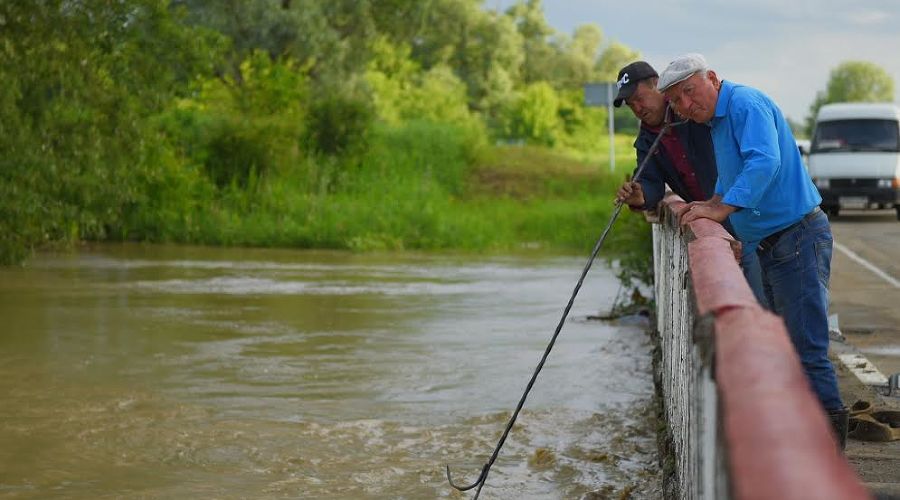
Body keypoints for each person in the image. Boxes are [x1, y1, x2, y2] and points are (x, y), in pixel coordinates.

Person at [658, 53, 849, 448]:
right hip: (773, 244)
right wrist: (712, 201)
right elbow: (733, 173)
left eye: (689, 91)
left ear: (712, 78)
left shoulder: (745, 103)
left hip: (797, 238)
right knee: (786, 348)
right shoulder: (717, 120)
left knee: (807, 349)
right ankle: (803, 440)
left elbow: (764, 162)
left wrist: (721, 209)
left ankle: (829, 454)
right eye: (676, 101)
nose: (685, 105)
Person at [611, 61, 766, 307]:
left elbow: (754, 159)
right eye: (631, 105)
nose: (638, 108)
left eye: (639, 98)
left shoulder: (695, 113)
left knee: (765, 296)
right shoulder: (646, 140)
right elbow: (650, 183)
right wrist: (640, 196)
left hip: (746, 213)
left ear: (658, 86)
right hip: (712, 222)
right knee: (736, 300)